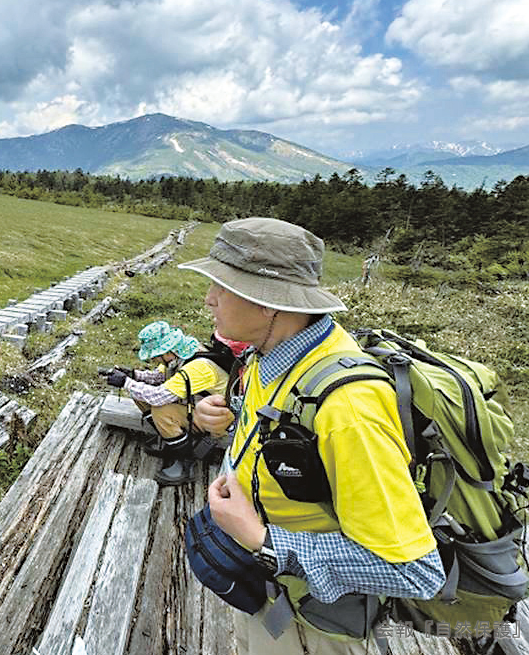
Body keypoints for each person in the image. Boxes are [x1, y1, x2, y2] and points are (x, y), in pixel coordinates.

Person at [180, 217, 445, 653]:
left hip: (311, 626)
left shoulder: (350, 410)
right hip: (268, 592)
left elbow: (414, 571)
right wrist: (231, 416)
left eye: (221, 287)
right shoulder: (274, 352)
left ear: (267, 302)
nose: (209, 299)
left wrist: (264, 541)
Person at [103, 322, 240, 485]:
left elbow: (158, 397)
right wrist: (133, 375)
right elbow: (159, 377)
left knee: (162, 411)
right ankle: (171, 439)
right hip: (202, 405)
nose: (153, 359)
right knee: (139, 394)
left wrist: (126, 382)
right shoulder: (182, 352)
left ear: (167, 351)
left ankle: (185, 462)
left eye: (155, 355)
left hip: (220, 420)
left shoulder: (198, 368)